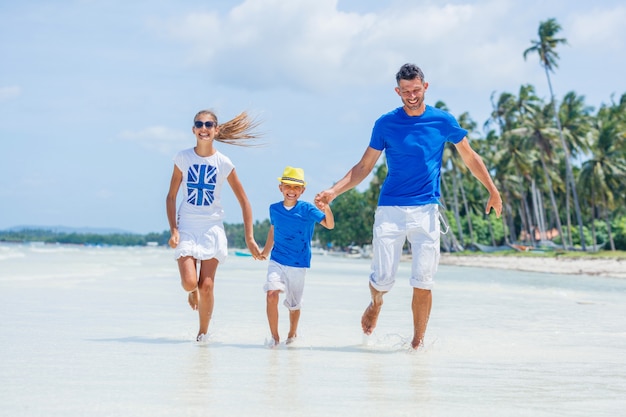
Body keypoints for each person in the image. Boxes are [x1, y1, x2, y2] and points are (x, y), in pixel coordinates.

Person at [315, 63, 502, 349]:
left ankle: (417, 344)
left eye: (416, 90)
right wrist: (334, 191)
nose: (411, 96)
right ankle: (376, 303)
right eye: (405, 92)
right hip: (390, 209)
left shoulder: (442, 121)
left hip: (426, 209)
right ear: (397, 91)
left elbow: (470, 156)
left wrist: (492, 189)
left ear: (425, 87)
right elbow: (364, 166)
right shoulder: (385, 124)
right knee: (383, 279)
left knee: (423, 280)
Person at [166, 109, 263, 342]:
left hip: (212, 228)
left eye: (209, 124)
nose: (204, 128)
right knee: (191, 282)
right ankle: (192, 292)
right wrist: (174, 230)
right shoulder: (182, 158)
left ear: (216, 130)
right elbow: (171, 197)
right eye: (199, 124)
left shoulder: (224, 163)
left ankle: (202, 334)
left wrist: (249, 238)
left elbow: (244, 201)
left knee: (207, 286)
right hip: (187, 225)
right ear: (193, 130)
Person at [261, 166, 335, 346]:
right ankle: (274, 338)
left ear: (302, 190)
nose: (291, 191)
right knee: (271, 294)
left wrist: (326, 208)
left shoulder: (307, 209)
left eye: (296, 187)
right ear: (281, 188)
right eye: (288, 186)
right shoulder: (274, 209)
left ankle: (292, 334)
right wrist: (265, 251)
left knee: (294, 306)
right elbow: (273, 230)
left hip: (298, 263)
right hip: (277, 259)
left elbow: (329, 225)